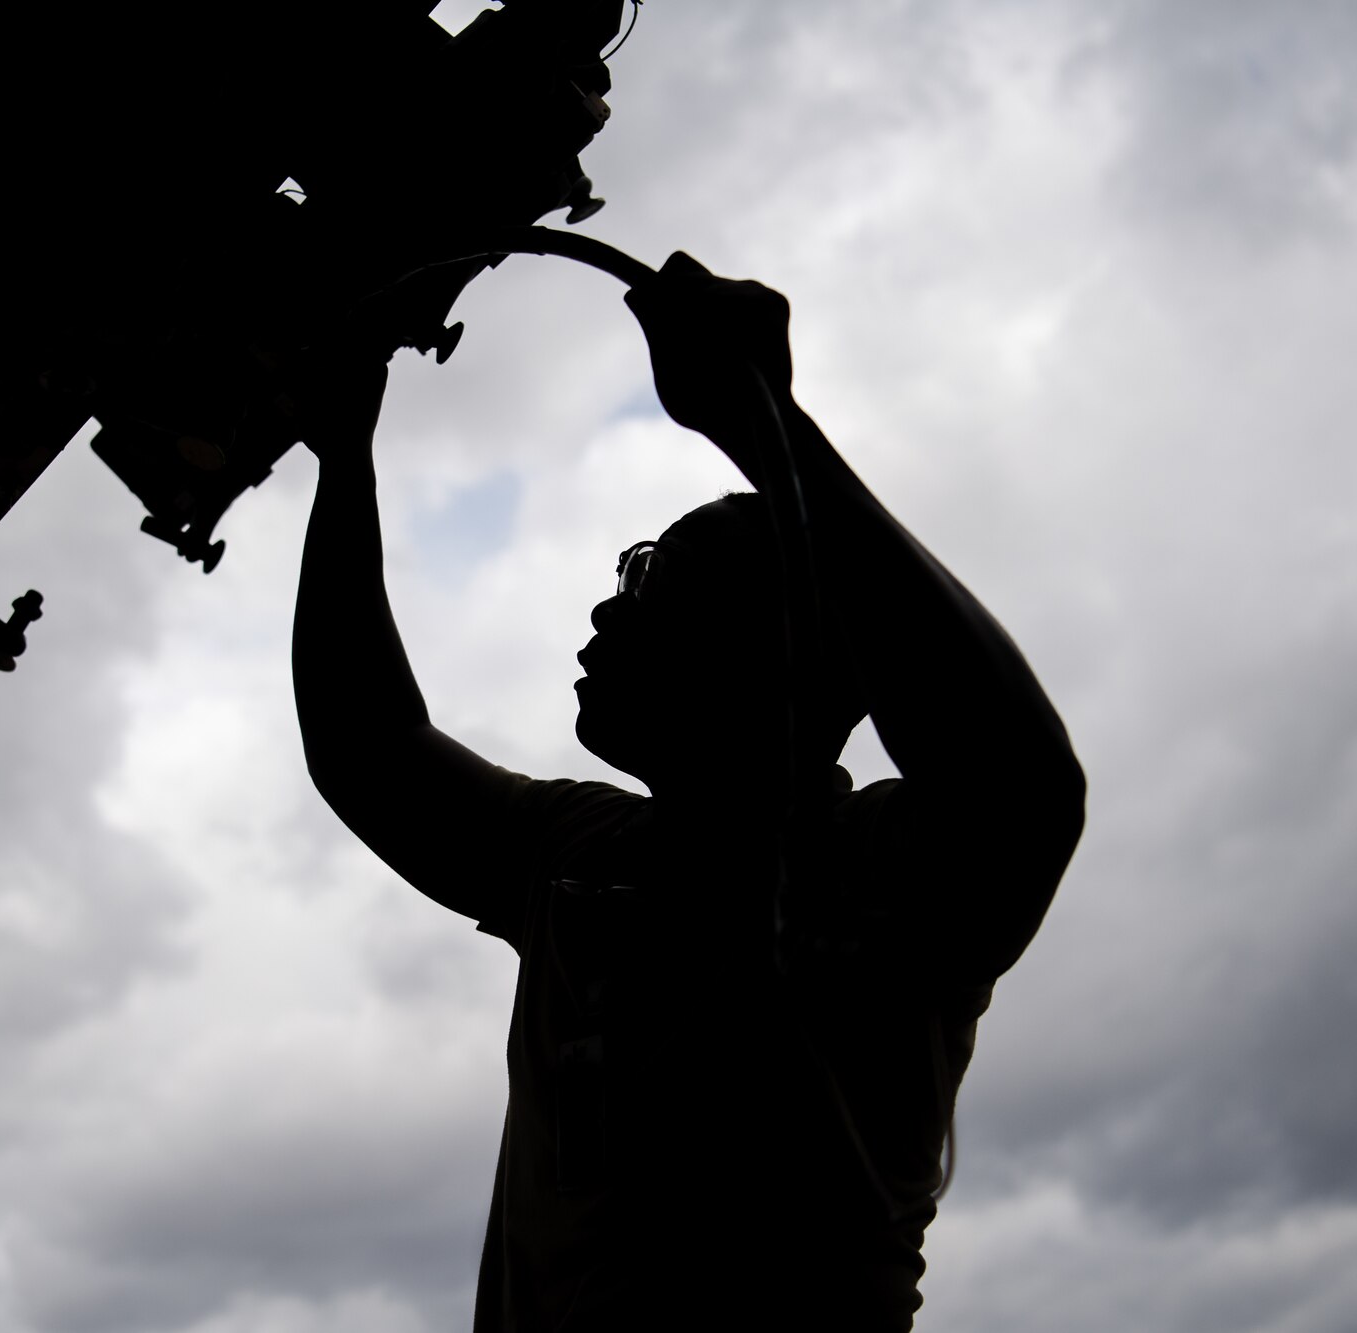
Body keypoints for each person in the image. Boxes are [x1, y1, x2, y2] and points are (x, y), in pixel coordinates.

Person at [290, 253, 1086, 1330]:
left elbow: (1016, 780)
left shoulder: (888, 871)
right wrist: (344, 457)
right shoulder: (578, 848)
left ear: (793, 654)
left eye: (660, 578)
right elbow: (368, 747)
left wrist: (765, 426)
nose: (609, 609)